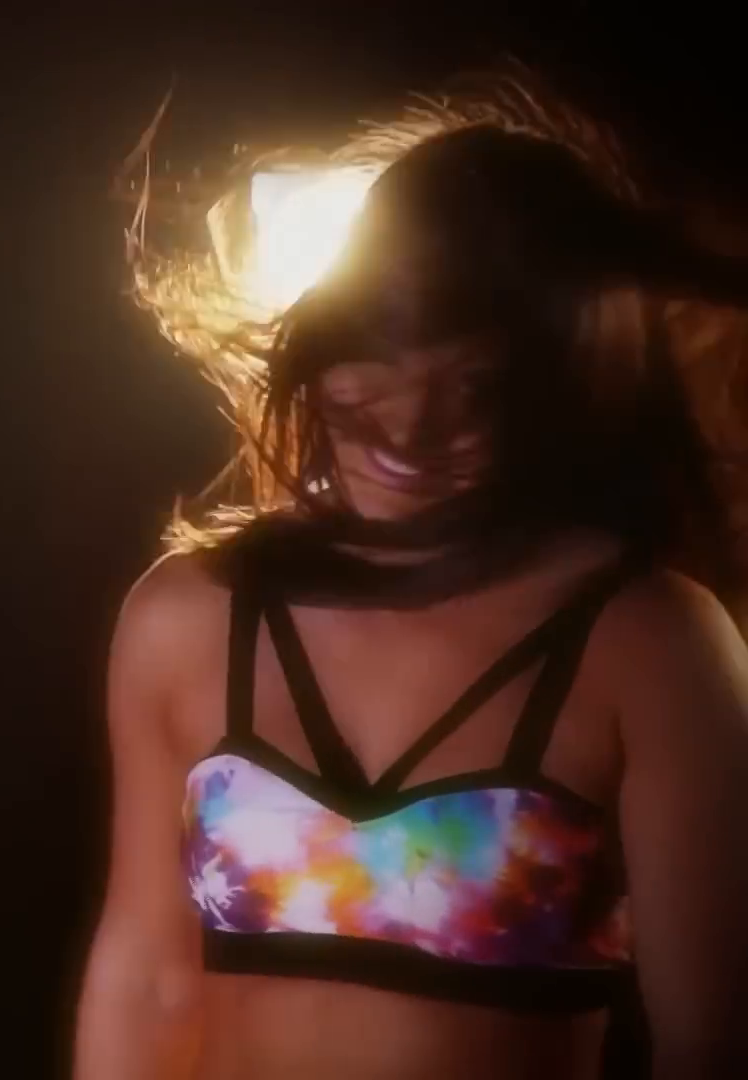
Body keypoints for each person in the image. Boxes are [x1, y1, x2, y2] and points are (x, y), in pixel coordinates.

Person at [75, 73, 748, 1079]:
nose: (409, 429)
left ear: (566, 388)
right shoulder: (189, 614)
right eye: (377, 364)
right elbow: (146, 978)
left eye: (474, 388)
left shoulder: (652, 643)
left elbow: (712, 1043)